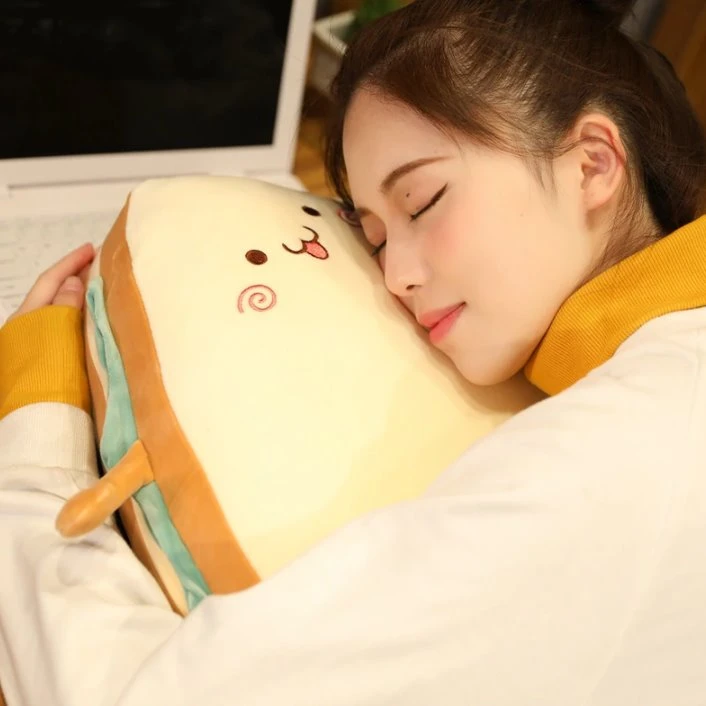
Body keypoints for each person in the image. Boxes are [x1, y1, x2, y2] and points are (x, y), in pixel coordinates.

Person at [2, 0, 706, 703]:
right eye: (373, 239)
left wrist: (37, 434)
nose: (395, 276)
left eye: (422, 201)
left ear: (593, 163)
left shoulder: (609, 460)